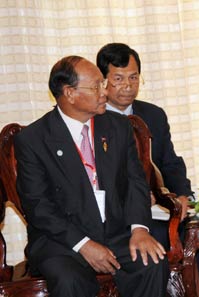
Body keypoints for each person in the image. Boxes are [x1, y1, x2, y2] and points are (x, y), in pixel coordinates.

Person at [15, 56, 168, 297]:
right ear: (70, 93)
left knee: (152, 262)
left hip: (116, 232)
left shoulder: (117, 126)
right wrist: (83, 244)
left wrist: (140, 229)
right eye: (96, 86)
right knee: (70, 280)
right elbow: (38, 206)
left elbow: (135, 181)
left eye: (103, 83)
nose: (105, 92)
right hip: (62, 242)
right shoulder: (34, 140)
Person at [96, 43, 199, 297]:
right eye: (118, 78)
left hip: (157, 209)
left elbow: (170, 162)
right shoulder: (93, 120)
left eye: (134, 77)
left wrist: (182, 195)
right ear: (103, 81)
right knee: (157, 244)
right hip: (118, 220)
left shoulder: (154, 115)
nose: (128, 85)